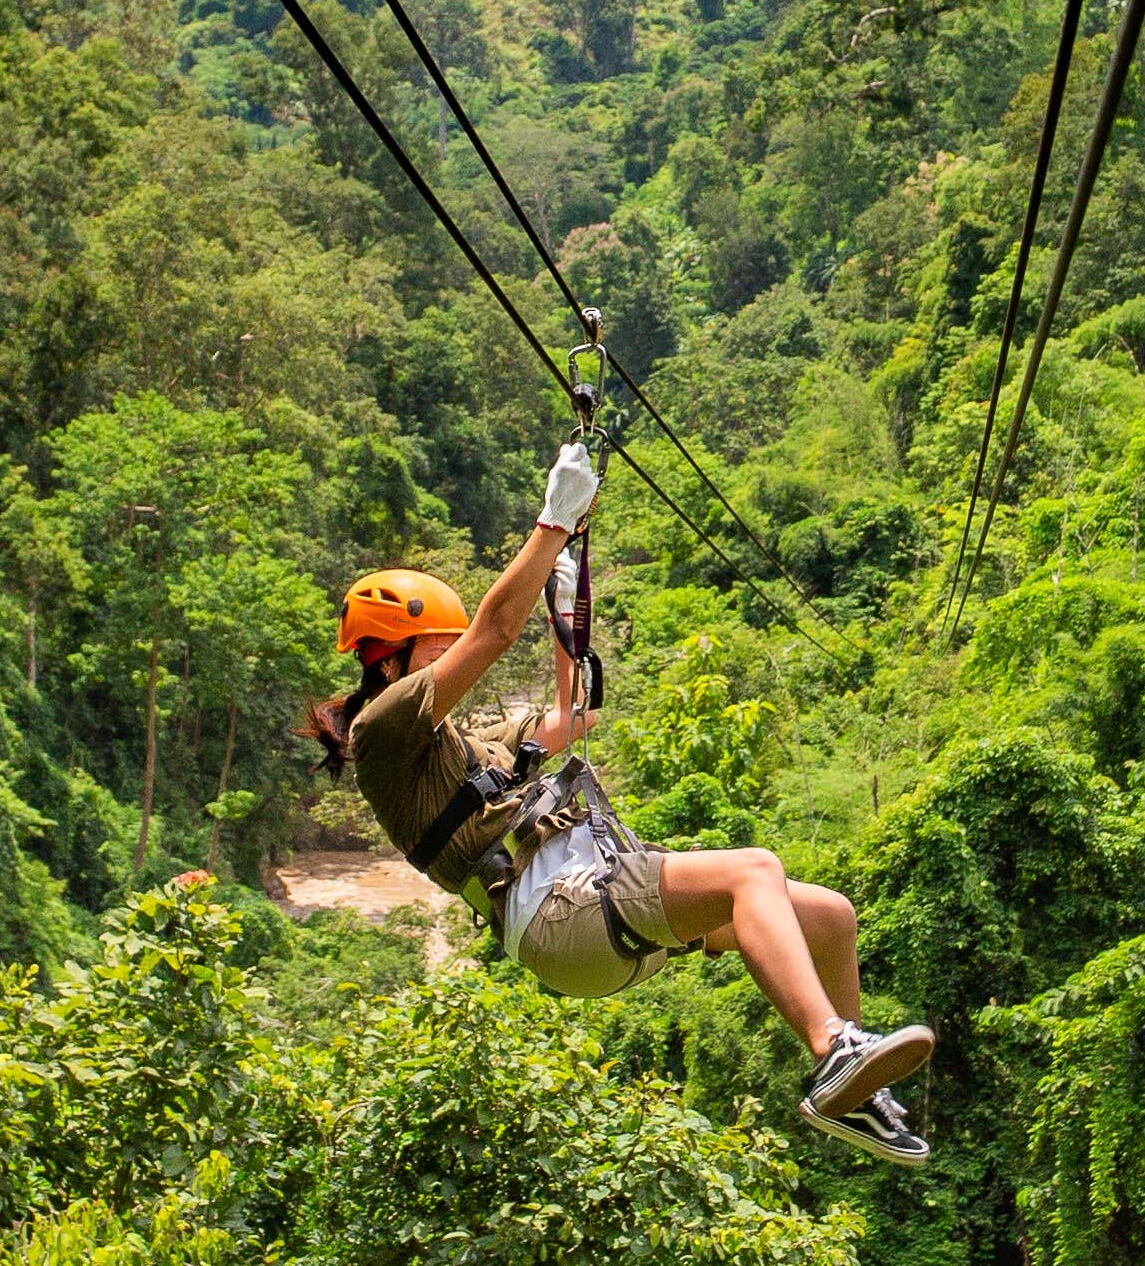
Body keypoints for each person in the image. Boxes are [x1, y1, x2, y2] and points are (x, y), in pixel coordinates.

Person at [302, 442, 936, 1167]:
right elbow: (492, 632)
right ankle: (832, 1050)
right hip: (561, 911)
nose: (451, 665)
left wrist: (564, 609)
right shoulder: (384, 732)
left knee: (828, 917)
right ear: (388, 659)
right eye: (435, 651)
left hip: (584, 906)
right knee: (753, 870)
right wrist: (552, 522)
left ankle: (852, 1086)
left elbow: (574, 720)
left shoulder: (467, 744)